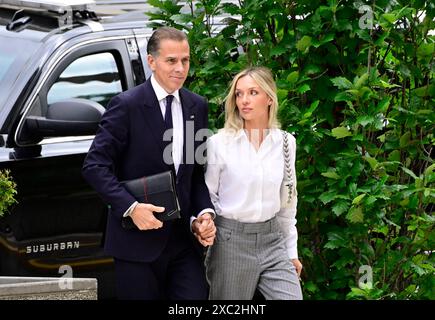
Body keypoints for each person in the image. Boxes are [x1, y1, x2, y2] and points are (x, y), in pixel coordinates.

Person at [82, 27, 216, 300]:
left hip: (183, 246)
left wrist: (203, 215)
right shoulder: (126, 105)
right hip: (136, 246)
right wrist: (131, 208)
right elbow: (94, 166)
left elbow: (194, 174)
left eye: (185, 60)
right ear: (151, 61)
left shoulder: (197, 106)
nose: (180, 68)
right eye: (171, 61)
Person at [204, 66, 303, 300]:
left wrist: (291, 251)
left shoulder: (286, 143)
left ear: (269, 98)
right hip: (231, 242)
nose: (244, 101)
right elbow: (209, 196)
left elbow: (288, 203)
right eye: (239, 94)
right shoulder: (219, 143)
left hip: (273, 240)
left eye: (252, 93)